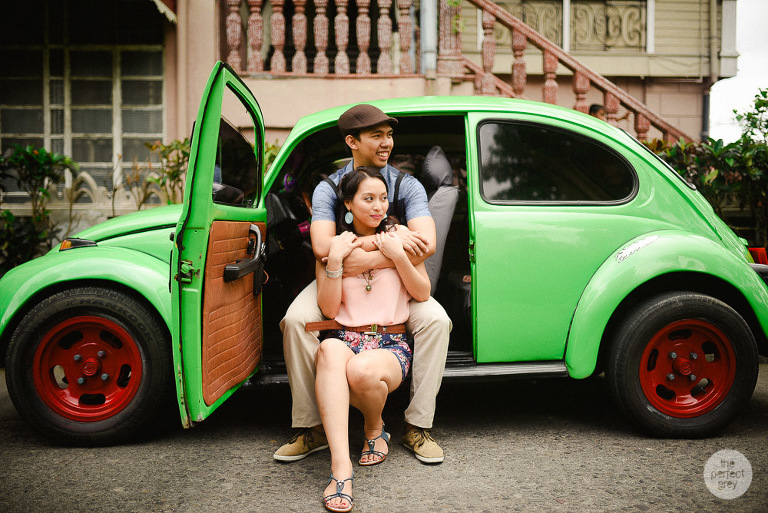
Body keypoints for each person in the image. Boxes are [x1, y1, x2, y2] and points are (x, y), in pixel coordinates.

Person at [275, 104, 451, 466]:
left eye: (389, 134)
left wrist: (370, 254)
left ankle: (417, 425)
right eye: (377, 136)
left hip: (393, 275)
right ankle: (313, 428)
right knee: (295, 320)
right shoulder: (329, 187)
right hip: (341, 274)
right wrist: (390, 244)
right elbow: (323, 248)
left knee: (436, 320)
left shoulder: (407, 184)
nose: (386, 143)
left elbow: (426, 244)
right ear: (352, 142)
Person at [312, 166, 431, 512]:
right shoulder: (334, 245)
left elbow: (421, 293)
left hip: (390, 345)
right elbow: (328, 306)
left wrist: (396, 256)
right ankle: (341, 468)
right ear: (348, 204)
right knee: (329, 349)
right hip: (347, 337)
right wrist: (335, 260)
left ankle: (374, 426)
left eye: (382, 198)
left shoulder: (401, 239)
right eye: (368, 199)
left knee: (362, 371)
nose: (378, 206)